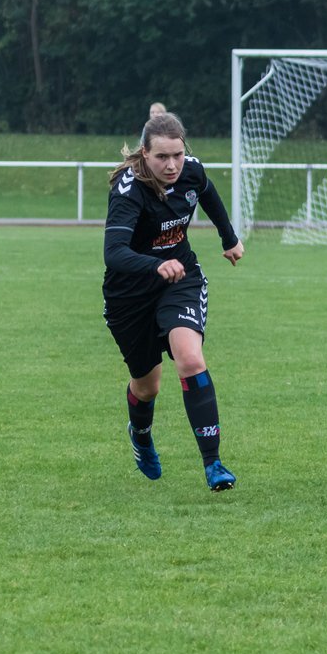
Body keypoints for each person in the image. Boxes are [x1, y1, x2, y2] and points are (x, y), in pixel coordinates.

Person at [103, 112, 245, 491]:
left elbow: (209, 193)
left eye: (178, 156)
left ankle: (213, 464)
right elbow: (113, 253)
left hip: (180, 278)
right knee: (147, 386)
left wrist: (228, 238)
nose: (172, 165)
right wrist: (154, 264)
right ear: (144, 154)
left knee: (190, 357)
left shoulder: (191, 171)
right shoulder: (128, 188)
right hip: (129, 293)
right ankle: (141, 434)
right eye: (162, 157)